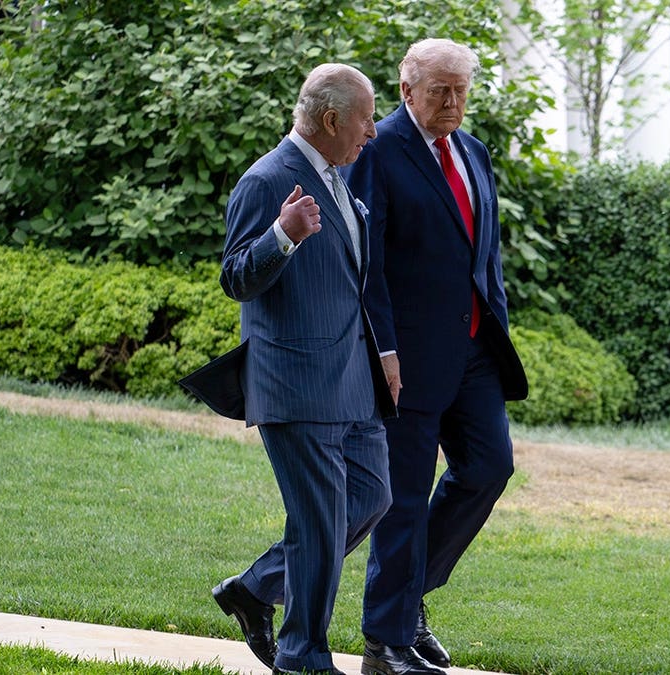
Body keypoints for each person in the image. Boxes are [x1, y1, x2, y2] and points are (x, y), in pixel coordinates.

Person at [342, 38, 528, 675]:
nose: (452, 102)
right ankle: (386, 643)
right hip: (408, 362)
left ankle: (410, 595)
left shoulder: (472, 153)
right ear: (406, 91)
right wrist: (383, 350)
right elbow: (366, 264)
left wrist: (495, 326)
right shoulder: (378, 152)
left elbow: (485, 256)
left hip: (474, 353)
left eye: (461, 90)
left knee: (488, 469)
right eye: (439, 90)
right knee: (404, 499)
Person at [210, 63, 401, 675]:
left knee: (371, 497)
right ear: (331, 119)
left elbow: (352, 281)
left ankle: (255, 588)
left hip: (353, 381)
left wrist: (383, 358)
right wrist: (283, 236)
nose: (373, 131)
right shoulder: (267, 181)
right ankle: (303, 658)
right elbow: (236, 278)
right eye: (367, 118)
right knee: (319, 524)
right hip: (295, 383)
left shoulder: (340, 178)